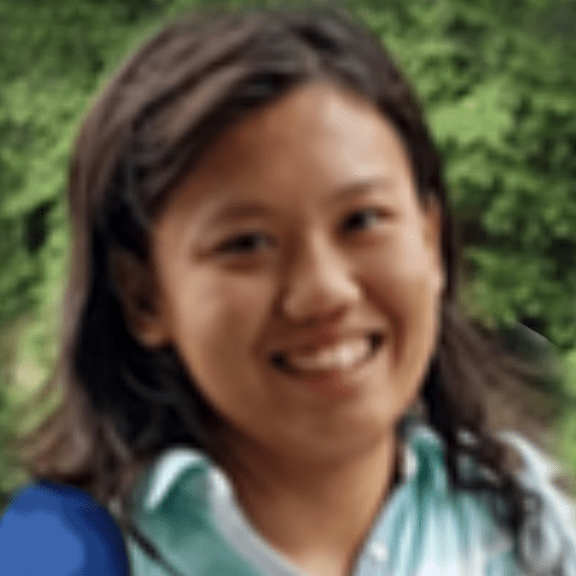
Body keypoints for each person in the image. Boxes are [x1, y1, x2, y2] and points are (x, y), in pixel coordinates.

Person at [0, 3, 575, 575]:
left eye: (362, 220)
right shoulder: (63, 558)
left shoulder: (530, 535)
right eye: (246, 244)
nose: (323, 291)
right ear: (144, 298)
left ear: (429, 240)